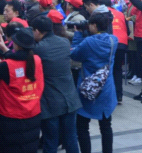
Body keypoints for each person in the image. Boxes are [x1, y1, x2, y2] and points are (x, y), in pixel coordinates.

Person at [0, 27, 44, 153]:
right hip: (32, 114)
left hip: (9, 118)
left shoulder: (7, 65)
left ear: (16, 44)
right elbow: (20, 58)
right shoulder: (36, 60)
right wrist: (5, 49)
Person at [32, 16, 81, 153]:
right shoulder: (65, 42)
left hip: (50, 101)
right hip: (69, 99)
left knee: (50, 140)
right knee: (71, 138)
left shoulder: (38, 48)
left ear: (37, 31)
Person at [71, 12, 118, 153]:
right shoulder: (113, 41)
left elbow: (75, 54)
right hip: (106, 88)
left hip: (87, 87)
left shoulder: (88, 42)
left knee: (82, 125)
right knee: (106, 125)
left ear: (94, 25)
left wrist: (78, 35)